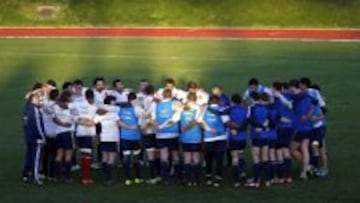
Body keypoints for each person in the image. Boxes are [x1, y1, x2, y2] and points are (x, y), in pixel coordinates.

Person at [151, 88, 182, 184]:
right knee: (175, 155)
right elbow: (176, 117)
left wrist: (158, 127)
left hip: (160, 135)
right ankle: (178, 177)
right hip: (173, 134)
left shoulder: (156, 105)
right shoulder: (174, 103)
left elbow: (153, 119)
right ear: (171, 95)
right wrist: (164, 125)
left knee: (164, 156)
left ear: (163, 95)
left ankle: (165, 178)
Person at [289, 79, 316, 180]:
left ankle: (308, 167)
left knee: (292, 150)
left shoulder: (297, 96)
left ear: (294, 86)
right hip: (308, 126)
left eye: (290, 87)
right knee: (304, 149)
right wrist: (308, 116)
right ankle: (304, 172)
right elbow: (314, 104)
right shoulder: (308, 95)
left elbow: (292, 98)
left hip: (300, 127)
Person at [200, 95, 228, 187]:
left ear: (210, 101)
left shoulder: (204, 109)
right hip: (221, 137)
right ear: (218, 101)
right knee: (219, 159)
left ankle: (208, 178)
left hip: (209, 138)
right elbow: (226, 123)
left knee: (209, 159)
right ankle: (217, 179)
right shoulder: (223, 109)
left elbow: (200, 121)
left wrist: (208, 129)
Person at [118, 92, 145, 185]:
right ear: (134, 100)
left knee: (126, 157)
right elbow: (141, 121)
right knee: (136, 157)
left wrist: (127, 127)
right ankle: (138, 177)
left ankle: (128, 179)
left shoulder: (121, 110)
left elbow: (118, 122)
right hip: (135, 137)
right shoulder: (137, 110)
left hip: (124, 136)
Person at [22, 83, 46, 184]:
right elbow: (38, 126)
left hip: (28, 136)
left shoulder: (27, 107)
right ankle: (35, 177)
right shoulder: (35, 110)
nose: (40, 100)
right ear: (34, 99)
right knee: (36, 158)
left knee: (29, 156)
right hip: (36, 138)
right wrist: (42, 137)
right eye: (38, 99)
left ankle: (26, 174)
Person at [94, 95, 120, 185]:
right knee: (111, 158)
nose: (115, 103)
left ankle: (105, 176)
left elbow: (94, 121)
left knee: (105, 157)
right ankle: (109, 179)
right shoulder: (115, 112)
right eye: (114, 101)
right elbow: (119, 121)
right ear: (111, 102)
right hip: (112, 138)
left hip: (103, 137)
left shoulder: (100, 112)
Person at [73, 89, 98, 185]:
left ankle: (85, 176)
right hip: (88, 133)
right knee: (87, 155)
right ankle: (86, 177)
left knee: (84, 154)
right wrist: (88, 123)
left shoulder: (78, 105)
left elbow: (75, 117)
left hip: (80, 132)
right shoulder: (94, 107)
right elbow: (94, 121)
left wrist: (81, 122)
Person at [246, 92, 270, 188]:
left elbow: (250, 120)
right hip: (265, 136)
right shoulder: (265, 108)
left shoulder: (252, 108)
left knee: (256, 158)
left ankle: (256, 181)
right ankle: (267, 180)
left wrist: (259, 126)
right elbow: (269, 121)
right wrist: (264, 127)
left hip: (256, 135)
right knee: (265, 158)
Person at [179, 92, 203, 186]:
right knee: (196, 158)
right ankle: (196, 180)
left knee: (187, 158)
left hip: (185, 137)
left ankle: (188, 180)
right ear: (195, 99)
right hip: (196, 137)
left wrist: (184, 128)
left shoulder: (182, 108)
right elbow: (196, 121)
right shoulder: (198, 109)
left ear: (188, 99)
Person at [272, 82, 294, 183]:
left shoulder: (276, 99)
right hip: (290, 128)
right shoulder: (290, 97)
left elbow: (275, 114)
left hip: (280, 128)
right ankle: (288, 177)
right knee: (286, 151)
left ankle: (280, 177)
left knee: (279, 152)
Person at [225, 93, 248, 187]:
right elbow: (246, 123)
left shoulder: (229, 110)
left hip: (233, 138)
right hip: (243, 138)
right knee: (241, 155)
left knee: (234, 158)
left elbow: (223, 118)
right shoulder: (245, 110)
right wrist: (240, 129)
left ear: (232, 101)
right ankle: (243, 173)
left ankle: (237, 181)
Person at [53, 90, 76, 183]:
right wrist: (66, 124)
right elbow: (74, 117)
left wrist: (61, 124)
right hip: (68, 132)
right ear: (67, 97)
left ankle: (57, 176)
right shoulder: (71, 106)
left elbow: (54, 119)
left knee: (59, 154)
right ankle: (67, 177)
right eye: (71, 96)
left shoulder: (55, 106)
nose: (73, 98)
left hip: (58, 133)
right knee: (68, 155)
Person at [140, 85, 161, 184]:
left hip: (148, 131)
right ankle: (159, 175)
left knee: (150, 155)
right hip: (156, 131)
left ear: (145, 92)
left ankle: (153, 177)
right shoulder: (157, 101)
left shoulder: (145, 100)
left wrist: (144, 125)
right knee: (157, 154)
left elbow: (146, 114)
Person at [41, 89, 59, 181]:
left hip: (46, 134)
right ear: (56, 97)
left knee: (45, 155)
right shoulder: (56, 107)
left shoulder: (45, 105)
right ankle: (52, 174)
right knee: (54, 155)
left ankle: (45, 173)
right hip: (55, 135)